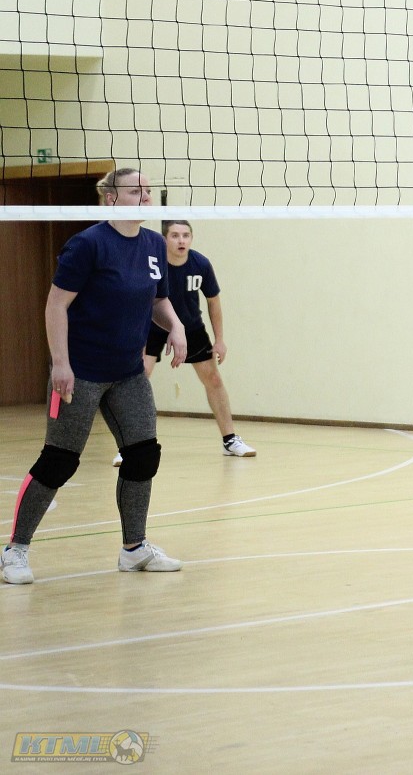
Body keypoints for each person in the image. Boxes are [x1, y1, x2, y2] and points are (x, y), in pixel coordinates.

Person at [0, 168, 187, 585]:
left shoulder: (153, 244)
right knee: (59, 462)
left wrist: (175, 325)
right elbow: (56, 305)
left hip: (128, 372)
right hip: (80, 371)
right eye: (135, 191)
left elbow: (158, 299)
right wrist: (60, 363)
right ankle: (15, 550)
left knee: (143, 455)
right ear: (111, 199)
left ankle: (134, 549)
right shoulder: (88, 244)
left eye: (147, 191)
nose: (145, 197)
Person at [112, 220, 255, 466]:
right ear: (164, 239)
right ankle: (128, 447)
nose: (181, 240)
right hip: (152, 326)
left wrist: (220, 340)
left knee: (213, 379)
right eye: (175, 235)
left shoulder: (200, 264)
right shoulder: (153, 263)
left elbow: (213, 301)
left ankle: (230, 440)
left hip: (190, 328)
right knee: (138, 380)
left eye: (186, 235)